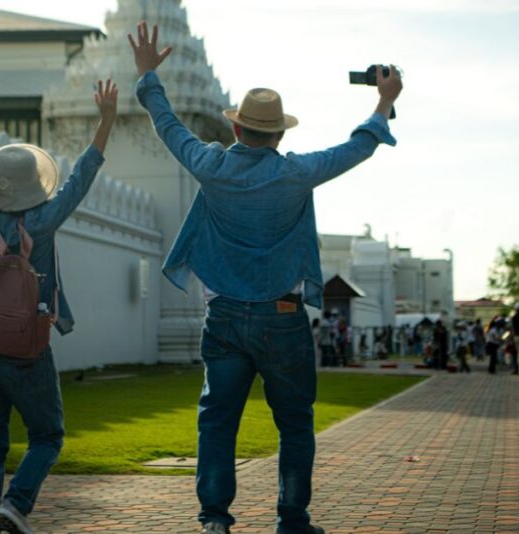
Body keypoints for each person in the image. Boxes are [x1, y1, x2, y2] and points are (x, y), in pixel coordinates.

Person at [128, 21, 401, 534]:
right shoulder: (296, 172)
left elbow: (168, 126)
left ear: (236, 129)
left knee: (217, 422)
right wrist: (384, 101)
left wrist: (148, 76)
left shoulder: (211, 165)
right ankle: (291, 521)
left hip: (224, 316)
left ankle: (214, 521)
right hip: (282, 318)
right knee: (295, 425)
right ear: (279, 134)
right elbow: (358, 146)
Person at [0, 78, 118, 533]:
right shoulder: (45, 218)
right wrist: (106, 120)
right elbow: (80, 179)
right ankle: (14, 505)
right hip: (27, 349)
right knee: (48, 436)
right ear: (35, 185)